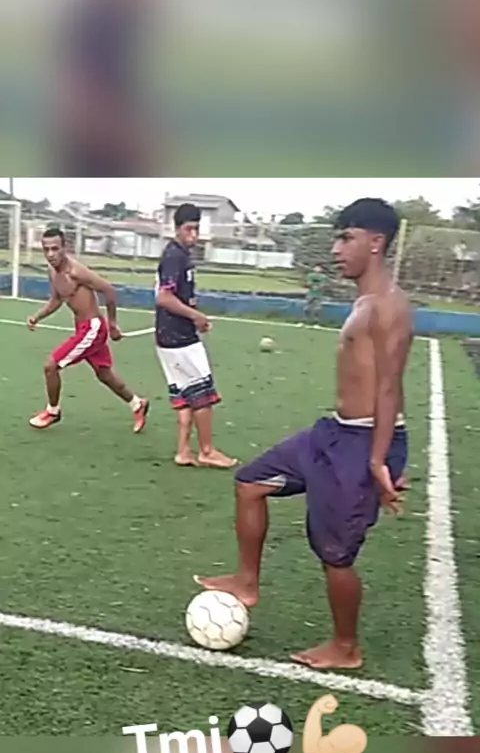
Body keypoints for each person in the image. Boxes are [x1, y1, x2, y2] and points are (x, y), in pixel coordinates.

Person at [196, 198, 413, 670]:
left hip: (364, 442)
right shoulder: (364, 302)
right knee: (250, 483)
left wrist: (379, 460)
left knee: (335, 553)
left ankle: (346, 647)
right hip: (334, 432)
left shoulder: (390, 307)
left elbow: (389, 388)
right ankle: (247, 581)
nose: (336, 249)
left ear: (376, 243)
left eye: (346, 238)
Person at [28, 227, 149, 432]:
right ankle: (137, 404)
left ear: (65, 247)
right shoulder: (52, 272)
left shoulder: (76, 272)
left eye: (55, 248)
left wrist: (112, 324)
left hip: (93, 328)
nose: (50, 254)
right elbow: (57, 299)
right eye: (46, 249)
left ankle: (52, 411)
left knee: (51, 366)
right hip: (83, 329)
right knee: (104, 374)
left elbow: (108, 289)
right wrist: (38, 316)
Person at [155, 203, 237, 469]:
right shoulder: (174, 256)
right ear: (177, 228)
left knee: (186, 396)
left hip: (172, 335)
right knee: (203, 394)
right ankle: (207, 451)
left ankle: (183, 451)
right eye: (188, 229)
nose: (194, 234)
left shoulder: (182, 255)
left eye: (196, 229)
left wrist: (194, 318)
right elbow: (164, 297)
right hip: (177, 337)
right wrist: (196, 316)